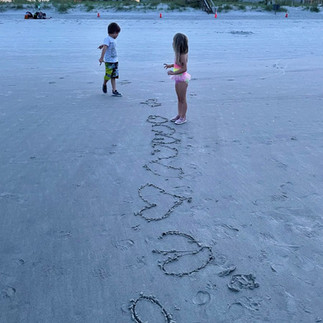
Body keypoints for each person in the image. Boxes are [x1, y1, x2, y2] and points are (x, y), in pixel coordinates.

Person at [164, 33, 191, 125]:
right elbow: (178, 64)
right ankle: (179, 115)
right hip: (178, 78)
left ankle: (183, 117)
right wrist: (170, 65)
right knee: (179, 98)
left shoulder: (183, 54)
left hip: (182, 78)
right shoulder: (178, 53)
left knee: (183, 99)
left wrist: (173, 72)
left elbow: (184, 68)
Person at [98, 22, 122, 97]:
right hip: (109, 61)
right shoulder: (107, 39)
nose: (117, 35)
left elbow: (106, 45)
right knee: (108, 75)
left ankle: (114, 90)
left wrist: (102, 45)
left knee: (114, 76)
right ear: (114, 32)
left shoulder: (113, 39)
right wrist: (101, 58)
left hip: (115, 60)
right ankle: (104, 84)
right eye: (117, 33)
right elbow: (105, 47)